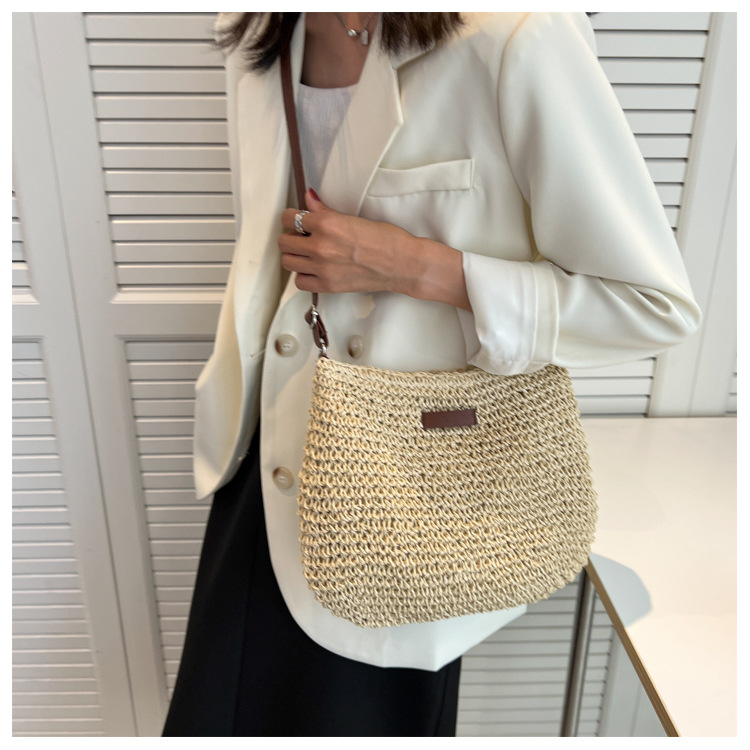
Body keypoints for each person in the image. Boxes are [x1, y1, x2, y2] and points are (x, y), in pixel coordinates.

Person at [162, 12, 700, 737]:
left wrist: (415, 266)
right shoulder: (260, 28)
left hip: (412, 497)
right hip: (264, 462)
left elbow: (653, 305)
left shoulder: (516, 36)